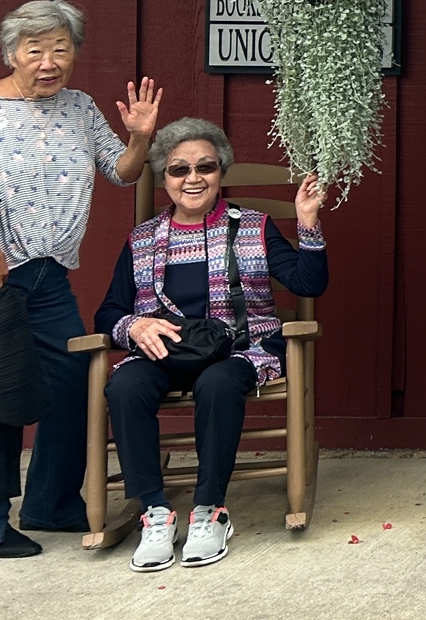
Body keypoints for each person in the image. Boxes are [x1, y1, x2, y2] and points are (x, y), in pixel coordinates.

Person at [0, 0, 160, 558]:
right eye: (35, 50)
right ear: (12, 53)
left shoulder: (79, 107)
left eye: (61, 48)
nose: (49, 61)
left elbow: (121, 172)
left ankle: (51, 503)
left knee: (73, 384)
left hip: (49, 276)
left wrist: (140, 138)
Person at [91, 118, 331, 572]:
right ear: (164, 177)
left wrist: (307, 224)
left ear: (221, 171)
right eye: (179, 169)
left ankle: (209, 509)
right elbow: (109, 312)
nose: (193, 178)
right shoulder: (142, 240)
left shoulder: (254, 227)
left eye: (206, 166)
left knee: (218, 383)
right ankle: (154, 511)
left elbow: (308, 283)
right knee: (125, 387)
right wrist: (135, 327)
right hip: (166, 352)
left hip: (242, 349)